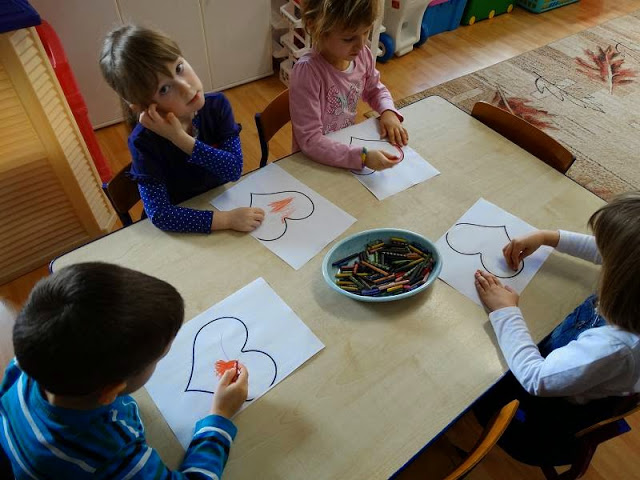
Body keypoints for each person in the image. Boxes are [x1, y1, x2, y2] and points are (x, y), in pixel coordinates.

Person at [0, 262, 249, 479]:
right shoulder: (110, 454)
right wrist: (220, 415)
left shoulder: (28, 363)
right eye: (159, 357)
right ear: (111, 390)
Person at [473, 191, 640, 464]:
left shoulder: (614, 348)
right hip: (572, 368)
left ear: (623, 281)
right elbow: (611, 250)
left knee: (473, 386)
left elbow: (536, 378)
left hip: (543, 414)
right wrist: (548, 238)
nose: (604, 259)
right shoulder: (633, 292)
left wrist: (505, 311)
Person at [100, 25, 264, 233]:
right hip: (186, 225)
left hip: (219, 200)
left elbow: (233, 170)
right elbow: (160, 214)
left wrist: (182, 139)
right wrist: (226, 220)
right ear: (143, 107)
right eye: (164, 89)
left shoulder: (217, 106)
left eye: (179, 68)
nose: (186, 88)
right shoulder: (142, 142)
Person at [290, 0, 409, 171]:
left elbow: (375, 89)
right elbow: (310, 140)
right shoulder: (307, 73)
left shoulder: (362, 56)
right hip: (311, 163)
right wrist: (362, 157)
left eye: (366, 32)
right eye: (348, 38)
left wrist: (388, 111)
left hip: (345, 147)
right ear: (316, 28)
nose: (361, 45)